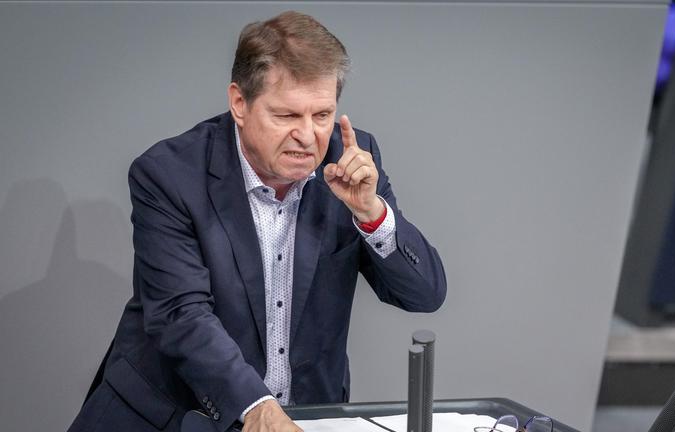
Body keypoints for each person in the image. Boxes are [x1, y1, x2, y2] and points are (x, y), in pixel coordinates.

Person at [67, 10, 446, 432]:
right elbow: (182, 315)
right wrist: (258, 407)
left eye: (322, 116)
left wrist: (370, 212)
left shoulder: (349, 159)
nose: (308, 136)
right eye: (286, 116)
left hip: (301, 417)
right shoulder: (170, 174)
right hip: (170, 415)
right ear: (239, 104)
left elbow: (425, 295)